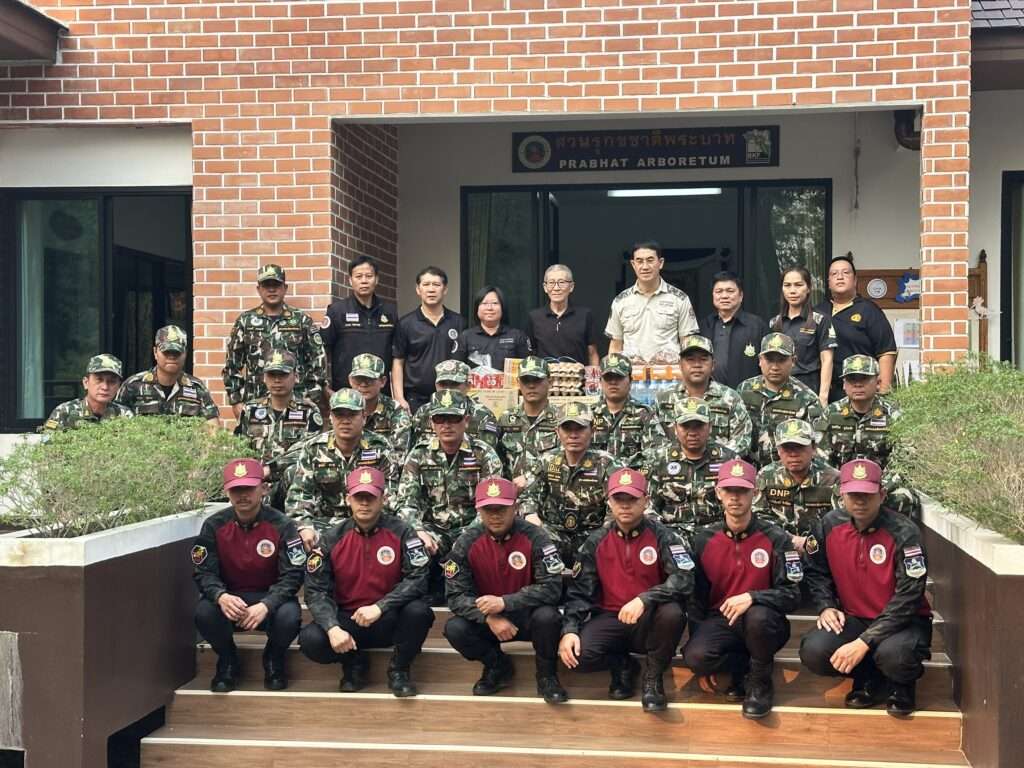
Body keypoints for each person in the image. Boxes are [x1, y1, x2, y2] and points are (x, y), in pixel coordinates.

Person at [799, 459, 932, 716]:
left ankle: (902, 685)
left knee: (895, 656)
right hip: (856, 618)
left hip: (903, 622)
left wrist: (863, 642)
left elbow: (909, 596)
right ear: (842, 495)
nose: (860, 501)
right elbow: (815, 570)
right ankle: (869, 676)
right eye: (853, 494)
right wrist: (826, 605)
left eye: (867, 494)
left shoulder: (905, 532)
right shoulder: (828, 525)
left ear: (881, 495)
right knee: (814, 650)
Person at [559, 469, 693, 712]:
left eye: (632, 498)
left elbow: (684, 578)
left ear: (646, 501)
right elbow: (579, 592)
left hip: (649, 619)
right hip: (610, 617)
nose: (625, 505)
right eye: (618, 498)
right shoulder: (595, 541)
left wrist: (645, 599)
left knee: (673, 612)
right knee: (577, 656)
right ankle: (621, 664)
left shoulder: (664, 536)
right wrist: (570, 630)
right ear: (609, 501)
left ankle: (653, 678)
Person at [682, 458, 802, 719]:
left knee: (758, 616)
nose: (735, 497)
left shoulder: (777, 538)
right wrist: (698, 640)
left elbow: (793, 594)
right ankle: (743, 667)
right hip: (721, 620)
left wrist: (753, 597)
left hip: (765, 623)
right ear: (718, 493)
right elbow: (696, 598)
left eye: (742, 490)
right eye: (729, 490)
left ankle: (760, 682)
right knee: (695, 657)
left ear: (755, 493)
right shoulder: (703, 539)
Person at [299, 468, 433, 697]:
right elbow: (316, 590)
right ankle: (353, 663)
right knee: (310, 639)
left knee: (419, 612)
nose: (364, 503)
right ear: (347, 499)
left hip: (387, 618)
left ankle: (399, 669)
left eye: (370, 497)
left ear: (383, 499)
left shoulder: (403, 532)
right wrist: (332, 627)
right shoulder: (331, 538)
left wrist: (380, 607)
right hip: (348, 620)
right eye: (358, 497)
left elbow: (418, 578)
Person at [443, 477, 568, 704]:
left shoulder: (536, 537)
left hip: (528, 616)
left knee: (548, 617)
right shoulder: (466, 542)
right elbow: (455, 595)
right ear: (479, 510)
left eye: (501, 508)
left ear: (515, 507)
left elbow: (552, 588)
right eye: (488, 509)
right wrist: (488, 617)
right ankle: (497, 666)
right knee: (455, 628)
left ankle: (547, 675)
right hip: (489, 618)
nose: (495, 515)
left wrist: (505, 602)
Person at [191, 458, 304, 692]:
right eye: (236, 490)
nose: (242, 495)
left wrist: (266, 604)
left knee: (290, 616)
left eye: (249, 488)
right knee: (204, 612)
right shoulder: (213, 526)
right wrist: (221, 596)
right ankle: (227, 660)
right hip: (231, 599)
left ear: (264, 489)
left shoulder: (283, 525)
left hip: (269, 598)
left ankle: (273, 659)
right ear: (227, 492)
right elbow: (203, 572)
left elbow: (293, 575)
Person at [396, 390, 505, 596]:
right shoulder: (419, 454)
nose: (446, 425)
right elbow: (406, 502)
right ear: (431, 423)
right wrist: (419, 530)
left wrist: (467, 538)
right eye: (440, 419)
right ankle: (423, 598)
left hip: (473, 528)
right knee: (414, 547)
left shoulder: (484, 454)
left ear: (466, 421)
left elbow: (491, 505)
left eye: (453, 419)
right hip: (433, 530)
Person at [285, 388, 395, 548]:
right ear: (330, 417)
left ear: (364, 417)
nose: (345, 421)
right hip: (325, 523)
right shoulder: (314, 448)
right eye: (339, 415)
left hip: (370, 522)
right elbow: (300, 494)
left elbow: (390, 495)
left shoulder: (380, 448)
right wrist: (304, 526)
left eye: (352, 415)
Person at [518, 402, 623, 565]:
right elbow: (528, 497)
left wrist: (601, 536)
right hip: (551, 536)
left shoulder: (608, 464)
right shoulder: (547, 461)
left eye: (580, 429)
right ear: (557, 432)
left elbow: (616, 507)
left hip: (593, 539)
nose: (573, 435)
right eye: (567, 429)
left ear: (592, 430)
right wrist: (533, 519)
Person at [222, 264, 327, 418]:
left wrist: (311, 397)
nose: (272, 290)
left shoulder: (302, 321)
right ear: (259, 289)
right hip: (255, 404)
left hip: (296, 404)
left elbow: (318, 360)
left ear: (285, 288)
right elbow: (232, 364)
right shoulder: (246, 321)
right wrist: (236, 401)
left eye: (276, 285)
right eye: (266, 285)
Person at [821, 355, 919, 519]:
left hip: (880, 484)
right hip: (842, 483)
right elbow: (820, 456)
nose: (858, 384)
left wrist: (881, 487)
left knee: (904, 497)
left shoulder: (893, 414)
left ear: (878, 382)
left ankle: (892, 535)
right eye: (852, 379)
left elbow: (905, 458)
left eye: (864, 379)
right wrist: (841, 486)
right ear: (844, 384)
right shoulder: (831, 414)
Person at [235, 349, 323, 507]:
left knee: (295, 472)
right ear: (264, 377)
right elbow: (239, 449)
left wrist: (271, 468)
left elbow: (310, 451)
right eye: (271, 375)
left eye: (283, 375)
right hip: (255, 483)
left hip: (290, 483)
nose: (277, 380)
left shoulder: (309, 411)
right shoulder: (250, 410)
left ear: (296, 377)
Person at [647, 397, 736, 541]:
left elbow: (737, 505)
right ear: (675, 428)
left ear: (710, 426)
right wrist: (662, 536)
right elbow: (648, 507)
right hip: (672, 536)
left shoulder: (728, 460)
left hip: (717, 536)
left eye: (699, 426)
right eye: (685, 426)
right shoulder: (658, 460)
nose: (692, 432)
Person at [737, 333, 826, 467]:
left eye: (781, 360)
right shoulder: (744, 390)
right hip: (746, 470)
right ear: (760, 360)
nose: (775, 367)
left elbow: (817, 446)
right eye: (769, 360)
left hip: (786, 472)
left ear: (793, 361)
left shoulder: (807, 399)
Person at [816, 255, 897, 402]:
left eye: (846, 273)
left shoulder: (869, 310)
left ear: (855, 280)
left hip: (860, 390)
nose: (840, 277)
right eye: (834, 274)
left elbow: (886, 352)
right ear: (828, 282)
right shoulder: (818, 312)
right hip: (824, 393)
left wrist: (884, 393)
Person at [654, 335, 752, 456]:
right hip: (673, 465)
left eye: (703, 359)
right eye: (690, 359)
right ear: (680, 365)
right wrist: (684, 458)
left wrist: (713, 459)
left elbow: (742, 441)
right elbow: (654, 440)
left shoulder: (730, 398)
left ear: (713, 365)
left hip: (719, 465)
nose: (697, 365)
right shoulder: (663, 399)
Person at [606, 241, 699, 364]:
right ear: (633, 264)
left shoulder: (679, 299)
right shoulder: (620, 301)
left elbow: (687, 343)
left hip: (670, 373)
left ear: (660, 263)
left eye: (650, 260)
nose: (645, 267)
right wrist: (613, 370)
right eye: (639, 261)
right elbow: (615, 346)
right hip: (631, 373)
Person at [753, 419, 840, 551]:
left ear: (813, 448)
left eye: (800, 447)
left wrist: (810, 543)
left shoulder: (832, 479)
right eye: (787, 448)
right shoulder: (766, 476)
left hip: (822, 549)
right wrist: (789, 539)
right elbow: (759, 516)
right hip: (778, 546)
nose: (793, 454)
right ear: (778, 450)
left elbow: (839, 522)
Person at [392, 266, 466, 414]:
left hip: (451, 396)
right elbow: (398, 362)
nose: (431, 289)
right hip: (415, 399)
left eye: (436, 285)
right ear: (418, 290)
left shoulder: (459, 322)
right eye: (426, 284)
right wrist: (399, 398)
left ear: (445, 289)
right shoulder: (406, 323)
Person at [320, 255, 399, 394]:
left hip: (380, 393)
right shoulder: (337, 311)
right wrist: (325, 387)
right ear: (350, 280)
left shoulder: (389, 311)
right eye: (358, 276)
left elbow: (398, 356)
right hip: (346, 394)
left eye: (369, 276)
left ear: (377, 279)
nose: (364, 281)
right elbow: (322, 351)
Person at [116, 325, 219, 425]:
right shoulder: (133, 386)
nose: (171, 357)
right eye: (166, 352)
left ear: (185, 353)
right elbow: (116, 423)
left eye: (177, 352)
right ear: (155, 352)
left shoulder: (196, 388)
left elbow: (212, 427)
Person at [768, 266, 836, 406]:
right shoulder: (774, 323)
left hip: (809, 388)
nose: (792, 290)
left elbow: (827, 359)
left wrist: (823, 397)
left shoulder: (820, 320)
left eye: (798, 285)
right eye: (787, 285)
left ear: (808, 288)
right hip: (780, 390)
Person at [590, 353, 667, 470]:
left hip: (631, 478)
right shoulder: (589, 416)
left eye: (619, 377)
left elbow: (658, 452)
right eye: (608, 378)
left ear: (630, 381)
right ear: (600, 381)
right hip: (594, 478)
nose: (613, 382)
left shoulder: (645, 414)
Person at [496, 356, 561, 485]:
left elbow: (565, 458)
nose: (531, 385)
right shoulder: (506, 419)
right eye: (526, 380)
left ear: (550, 382)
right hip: (514, 493)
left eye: (537, 380)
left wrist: (530, 476)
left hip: (549, 493)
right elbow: (497, 459)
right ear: (518, 383)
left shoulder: (561, 419)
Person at [409, 359, 500, 449]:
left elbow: (488, 451)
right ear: (436, 386)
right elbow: (414, 450)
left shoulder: (483, 415)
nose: (448, 389)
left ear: (468, 386)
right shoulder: (423, 412)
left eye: (454, 384)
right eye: (443, 384)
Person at [699, 271, 768, 389]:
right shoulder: (704, 326)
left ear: (741, 296)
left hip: (747, 394)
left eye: (730, 291)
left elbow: (769, 363)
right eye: (719, 291)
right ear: (713, 295)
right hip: (711, 394)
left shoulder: (757, 326)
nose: (724, 296)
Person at [526, 264, 599, 366]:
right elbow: (531, 354)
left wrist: (594, 374)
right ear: (545, 287)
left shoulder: (585, 315)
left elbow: (592, 353)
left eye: (562, 282)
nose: (556, 288)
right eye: (551, 283)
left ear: (571, 286)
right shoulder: (534, 317)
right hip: (545, 375)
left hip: (576, 375)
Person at [42, 354, 133, 432]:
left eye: (111, 382)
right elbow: (48, 444)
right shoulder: (64, 412)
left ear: (118, 386)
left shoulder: (124, 415)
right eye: (99, 380)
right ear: (86, 383)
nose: (105, 387)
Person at [348, 353, 413, 461]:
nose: (363, 384)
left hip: (384, 468)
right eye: (358, 379)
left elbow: (400, 454)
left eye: (369, 379)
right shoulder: (342, 410)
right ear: (350, 380)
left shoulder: (395, 410)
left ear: (383, 381)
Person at [459, 285, 531, 372]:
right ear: (477, 308)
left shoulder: (517, 336)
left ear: (502, 308)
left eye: (495, 303)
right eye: (484, 303)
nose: (489, 308)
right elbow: (458, 371)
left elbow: (528, 370)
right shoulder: (466, 337)